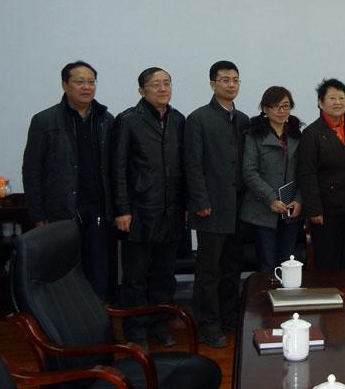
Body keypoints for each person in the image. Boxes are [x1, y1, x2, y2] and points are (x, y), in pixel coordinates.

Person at [22, 60, 116, 301]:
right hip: (60, 211)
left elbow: (116, 168)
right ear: (65, 85)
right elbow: (31, 171)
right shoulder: (45, 120)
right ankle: (66, 321)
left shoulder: (106, 120)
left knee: (98, 272)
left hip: (98, 210)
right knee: (63, 273)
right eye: (79, 82)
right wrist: (38, 216)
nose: (87, 87)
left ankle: (98, 318)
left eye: (91, 82)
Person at [112, 67, 185, 350]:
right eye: (156, 84)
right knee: (135, 277)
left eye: (167, 83)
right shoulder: (128, 120)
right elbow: (118, 169)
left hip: (171, 211)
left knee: (164, 276)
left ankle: (160, 325)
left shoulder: (178, 120)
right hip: (139, 211)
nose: (163, 89)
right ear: (142, 91)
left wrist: (186, 206)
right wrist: (122, 209)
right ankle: (136, 331)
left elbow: (185, 167)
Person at [185, 60, 249, 348]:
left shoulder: (243, 120)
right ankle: (208, 324)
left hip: (238, 208)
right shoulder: (198, 119)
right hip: (211, 207)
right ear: (212, 84)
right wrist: (201, 201)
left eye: (235, 79)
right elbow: (193, 165)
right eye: (224, 80)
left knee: (232, 267)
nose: (231, 84)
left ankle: (229, 317)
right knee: (209, 271)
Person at [297, 78, 345, 270]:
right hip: (326, 211)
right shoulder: (312, 133)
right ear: (320, 103)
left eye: (342, 98)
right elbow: (307, 174)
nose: (338, 102)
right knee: (328, 263)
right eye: (332, 98)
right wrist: (314, 209)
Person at [241, 86, 303, 274]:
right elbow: (249, 171)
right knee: (267, 266)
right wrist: (271, 199)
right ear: (265, 109)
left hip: (291, 210)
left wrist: (299, 200)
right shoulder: (254, 135)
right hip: (263, 209)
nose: (281, 111)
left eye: (286, 106)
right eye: (276, 106)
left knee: (288, 264)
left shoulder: (296, 135)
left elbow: (304, 172)